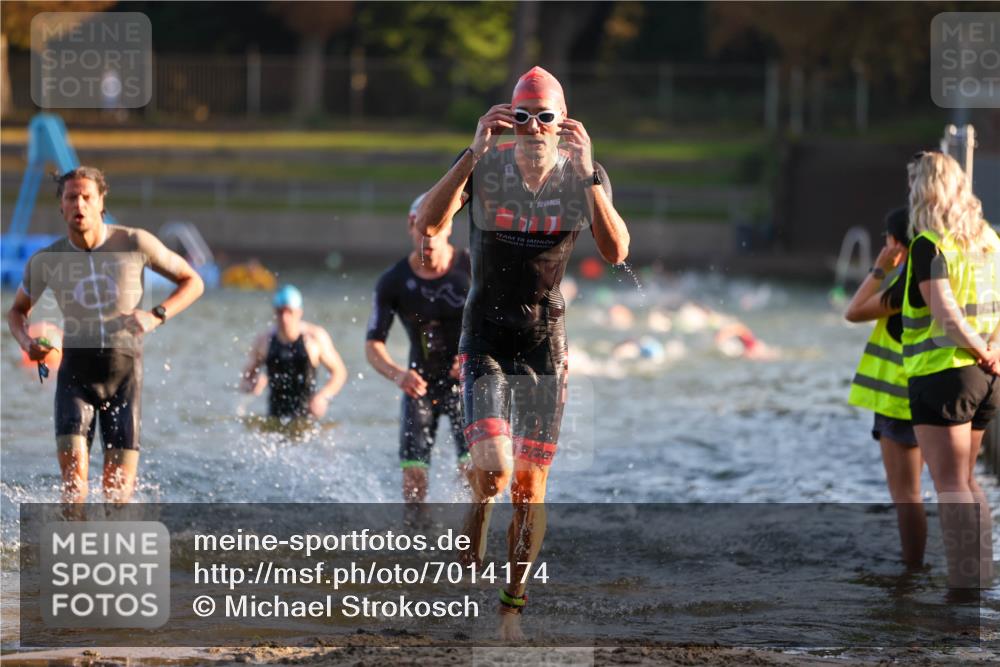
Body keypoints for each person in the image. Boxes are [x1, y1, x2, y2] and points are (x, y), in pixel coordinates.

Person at [416, 66, 630, 640]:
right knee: (493, 475)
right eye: (522, 116)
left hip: (543, 344)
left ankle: (511, 608)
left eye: (544, 117)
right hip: (485, 336)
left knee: (530, 490)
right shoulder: (486, 166)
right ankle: (478, 504)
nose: (533, 127)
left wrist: (589, 174)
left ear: (563, 124)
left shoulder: (583, 175)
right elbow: (430, 223)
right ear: (508, 120)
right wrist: (471, 152)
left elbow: (616, 252)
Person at [6, 166, 204, 505]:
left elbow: (193, 281)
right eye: (71, 197)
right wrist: (27, 343)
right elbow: (16, 312)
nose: (79, 204)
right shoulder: (46, 261)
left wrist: (156, 315)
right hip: (75, 379)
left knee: (117, 496)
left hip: (124, 379)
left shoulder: (134, 242)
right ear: (61, 206)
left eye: (87, 197)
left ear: (101, 202)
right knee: (73, 490)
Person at [902, 151, 998, 589]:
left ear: (925, 189)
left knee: (950, 485)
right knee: (968, 480)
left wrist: (978, 349)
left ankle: (963, 587)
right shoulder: (988, 239)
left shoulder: (929, 244)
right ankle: (981, 579)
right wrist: (993, 352)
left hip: (943, 375)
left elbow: (945, 315)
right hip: (987, 377)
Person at [366, 194, 472, 511]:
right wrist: (399, 374)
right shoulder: (393, 281)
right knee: (414, 478)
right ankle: (415, 534)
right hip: (419, 386)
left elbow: (501, 323)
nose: (428, 238)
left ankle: (470, 530)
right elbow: (373, 345)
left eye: (435, 228)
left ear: (449, 227)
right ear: (410, 227)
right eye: (420, 228)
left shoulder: (473, 268)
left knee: (474, 470)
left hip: (467, 383)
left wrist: (474, 359)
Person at [845, 207, 926, 568]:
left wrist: (880, 268)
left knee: (906, 495)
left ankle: (912, 570)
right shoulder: (932, 281)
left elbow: (854, 311)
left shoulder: (903, 288)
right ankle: (944, 569)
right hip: (928, 393)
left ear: (895, 243)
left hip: (897, 400)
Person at [241, 285, 347, 423]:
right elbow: (245, 380)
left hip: (308, 419)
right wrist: (253, 384)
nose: (284, 318)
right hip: (275, 418)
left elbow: (339, 373)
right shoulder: (264, 341)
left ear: (299, 312)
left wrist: (323, 397)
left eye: (289, 312)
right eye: (280, 312)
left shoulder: (315, 338)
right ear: (274, 312)